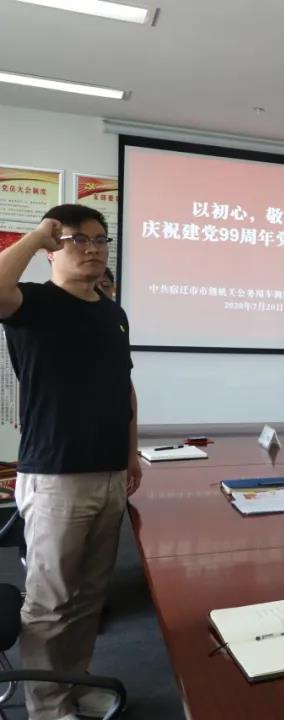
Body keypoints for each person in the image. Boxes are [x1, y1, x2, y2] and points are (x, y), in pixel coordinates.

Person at [0, 205, 139, 720]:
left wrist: (130, 454)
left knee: (88, 598)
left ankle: (76, 685)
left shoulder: (112, 313)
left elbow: (124, 388)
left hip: (109, 473)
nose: (93, 249)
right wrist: (38, 234)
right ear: (52, 249)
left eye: (101, 240)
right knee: (50, 603)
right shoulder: (33, 302)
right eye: (78, 240)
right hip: (56, 476)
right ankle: (47, 706)